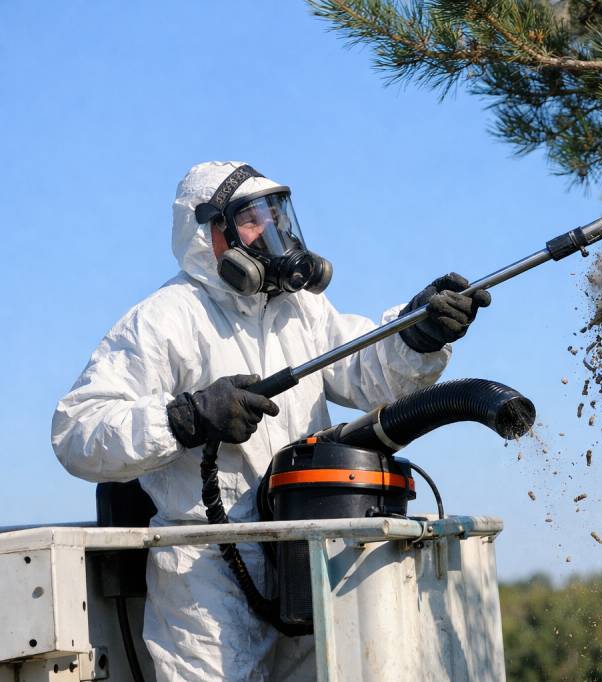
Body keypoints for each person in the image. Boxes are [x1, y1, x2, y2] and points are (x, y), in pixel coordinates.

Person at [51, 161, 490, 681]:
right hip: (208, 577)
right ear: (207, 233)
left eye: (277, 212)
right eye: (252, 218)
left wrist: (417, 334)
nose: (274, 230)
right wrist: (185, 418)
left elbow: (364, 371)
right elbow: (78, 431)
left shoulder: (300, 311)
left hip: (308, 555)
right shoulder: (165, 319)